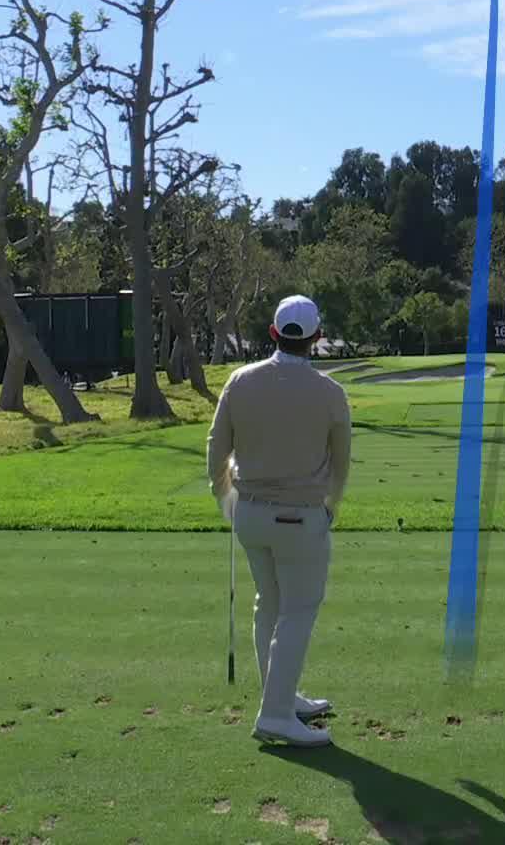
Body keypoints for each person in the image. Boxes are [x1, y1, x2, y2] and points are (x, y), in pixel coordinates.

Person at [208, 294, 353, 748]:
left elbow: (217, 448)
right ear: (317, 337)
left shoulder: (240, 380)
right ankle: (275, 714)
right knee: (296, 612)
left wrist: (225, 501)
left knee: (268, 605)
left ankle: (282, 697)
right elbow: (341, 464)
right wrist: (331, 507)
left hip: (250, 514)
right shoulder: (330, 393)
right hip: (301, 519)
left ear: (273, 333)